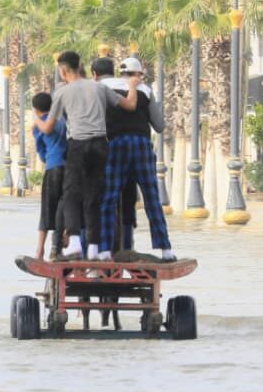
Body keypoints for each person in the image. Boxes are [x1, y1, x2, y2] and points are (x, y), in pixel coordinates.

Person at [32, 51, 139, 261]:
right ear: (80, 65)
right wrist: (133, 87)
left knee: (72, 193)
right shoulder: (99, 87)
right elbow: (130, 105)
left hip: (78, 145)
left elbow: (47, 128)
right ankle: (93, 247)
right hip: (100, 144)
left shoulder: (62, 93)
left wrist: (35, 119)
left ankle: (73, 243)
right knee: (94, 196)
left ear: (62, 71)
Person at [97, 57, 175, 261]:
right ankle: (165, 249)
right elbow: (158, 125)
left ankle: (104, 250)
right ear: (138, 74)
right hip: (141, 145)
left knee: (109, 199)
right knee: (151, 198)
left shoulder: (103, 86)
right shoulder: (146, 90)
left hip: (115, 145)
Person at [30, 92, 67, 261]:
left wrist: (47, 158)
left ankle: (39, 251)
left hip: (52, 167)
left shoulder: (39, 125)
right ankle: (57, 247)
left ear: (36, 110)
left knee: (46, 209)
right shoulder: (62, 123)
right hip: (68, 168)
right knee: (64, 207)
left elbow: (41, 150)